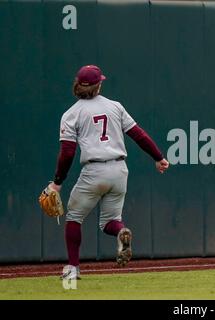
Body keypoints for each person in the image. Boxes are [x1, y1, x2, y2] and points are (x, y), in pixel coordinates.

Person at [48, 65, 169, 280]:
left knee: (74, 218)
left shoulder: (71, 114)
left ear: (77, 85)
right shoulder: (115, 107)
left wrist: (57, 182)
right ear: (99, 85)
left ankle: (72, 271)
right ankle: (121, 232)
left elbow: (67, 153)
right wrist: (158, 158)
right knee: (110, 222)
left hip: (93, 170)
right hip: (119, 170)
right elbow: (138, 135)